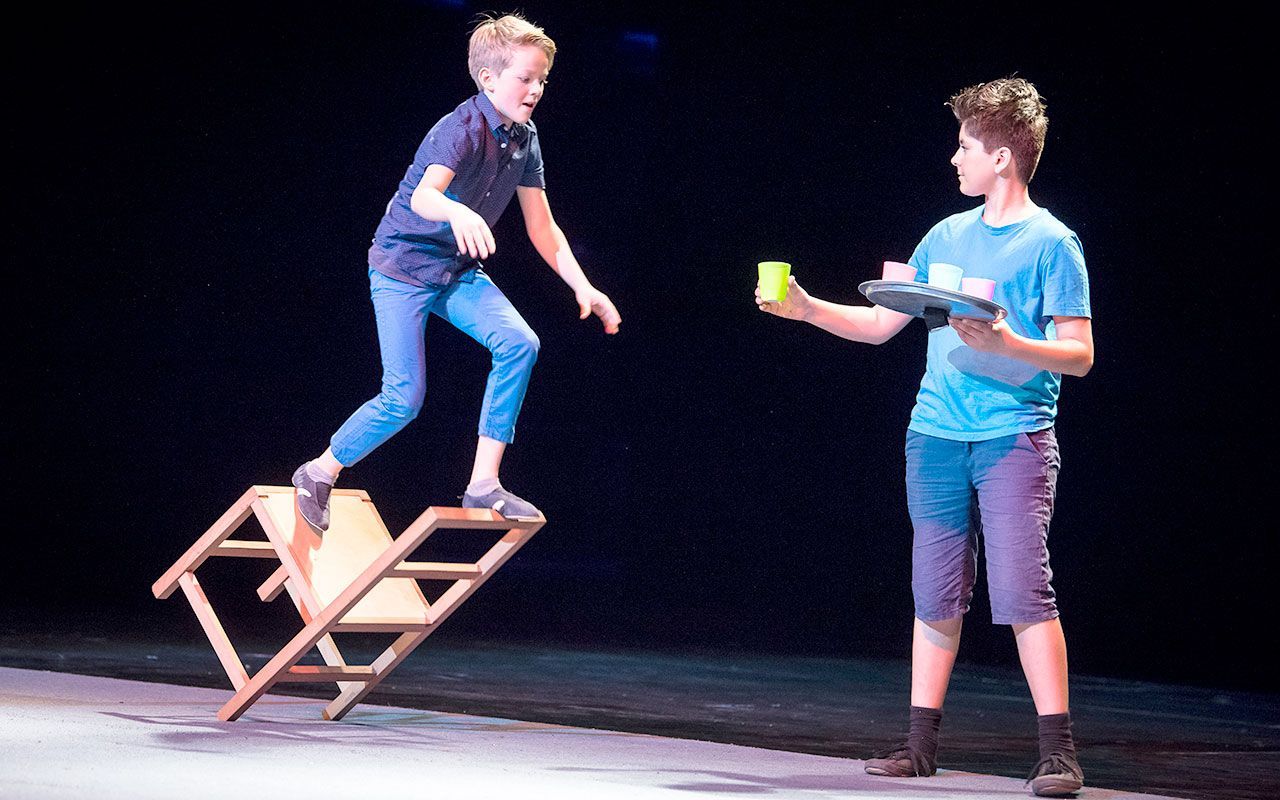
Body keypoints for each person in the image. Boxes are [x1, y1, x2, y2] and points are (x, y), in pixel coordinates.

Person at [756, 77, 1092, 797]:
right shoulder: (945, 234)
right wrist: (807, 308)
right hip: (934, 433)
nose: (955, 158)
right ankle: (919, 745)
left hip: (1013, 436)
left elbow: (1080, 354)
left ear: (1001, 157)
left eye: (966, 146)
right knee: (934, 589)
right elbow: (883, 323)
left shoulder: (1052, 243)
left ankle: (1058, 751)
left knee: (1023, 589)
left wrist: (1007, 341)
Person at [292, 13, 620, 531]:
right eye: (525, 78)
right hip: (403, 269)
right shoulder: (461, 129)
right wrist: (458, 211)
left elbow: (541, 225)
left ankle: (483, 483)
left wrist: (584, 285)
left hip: (455, 271)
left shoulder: (526, 138)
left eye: (542, 80)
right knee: (403, 399)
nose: (536, 90)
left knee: (520, 343)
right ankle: (319, 471)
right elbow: (425, 195)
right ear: (488, 78)